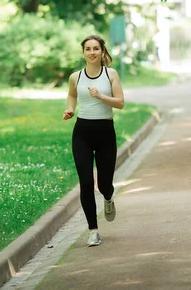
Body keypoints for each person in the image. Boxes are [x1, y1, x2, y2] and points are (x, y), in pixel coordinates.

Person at [63, 34, 125, 247]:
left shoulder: (111, 74)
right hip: (82, 133)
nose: (92, 52)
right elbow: (72, 95)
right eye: (88, 49)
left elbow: (120, 103)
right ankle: (93, 230)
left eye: (96, 49)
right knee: (86, 183)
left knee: (104, 184)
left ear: (102, 51)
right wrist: (70, 109)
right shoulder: (76, 77)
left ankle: (108, 197)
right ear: (83, 52)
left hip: (105, 133)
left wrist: (100, 96)